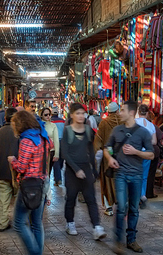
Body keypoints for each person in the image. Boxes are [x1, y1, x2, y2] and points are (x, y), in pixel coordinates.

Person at [103, 101, 154, 254]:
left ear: (131, 112)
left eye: (122, 110)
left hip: (137, 175)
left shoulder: (143, 132)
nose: (119, 113)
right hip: (121, 175)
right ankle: (118, 240)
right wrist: (110, 158)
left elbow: (151, 154)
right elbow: (107, 148)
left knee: (133, 208)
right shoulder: (117, 130)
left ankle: (131, 240)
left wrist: (136, 152)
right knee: (121, 207)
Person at [8, 110, 52, 255]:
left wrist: (13, 161)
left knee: (19, 223)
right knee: (37, 224)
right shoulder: (42, 136)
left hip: (29, 185)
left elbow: (22, 166)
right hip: (42, 182)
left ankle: (34, 252)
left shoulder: (28, 140)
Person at [61, 103, 106, 240]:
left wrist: (94, 169)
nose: (81, 116)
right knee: (71, 198)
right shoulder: (67, 131)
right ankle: (70, 223)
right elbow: (65, 153)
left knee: (91, 198)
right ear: (72, 115)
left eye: (83, 113)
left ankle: (97, 227)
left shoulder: (88, 130)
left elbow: (91, 151)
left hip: (86, 168)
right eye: (78, 113)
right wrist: (76, 170)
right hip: (71, 169)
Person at [93, 102, 122, 216]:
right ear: (117, 110)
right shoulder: (124, 122)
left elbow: (98, 141)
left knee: (107, 181)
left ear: (108, 111)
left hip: (108, 156)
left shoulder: (104, 123)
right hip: (122, 156)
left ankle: (109, 207)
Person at [0, 107, 19, 232]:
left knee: (3, 200)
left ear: (5, 118)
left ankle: (2, 223)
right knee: (20, 200)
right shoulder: (19, 132)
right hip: (17, 172)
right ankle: (21, 224)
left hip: (2, 170)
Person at [135, 104, 158, 208]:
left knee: (135, 175)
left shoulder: (134, 123)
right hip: (147, 153)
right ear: (148, 113)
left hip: (136, 153)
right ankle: (142, 195)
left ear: (138, 112)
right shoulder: (151, 125)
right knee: (144, 176)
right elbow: (154, 141)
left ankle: (136, 196)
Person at [40, 108, 60, 176]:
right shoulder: (39, 125)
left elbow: (56, 140)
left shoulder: (53, 125)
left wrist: (56, 154)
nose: (48, 116)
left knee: (48, 172)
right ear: (42, 115)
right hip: (42, 152)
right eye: (46, 115)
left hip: (51, 151)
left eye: (49, 114)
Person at [51, 108, 66, 186]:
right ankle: (58, 175)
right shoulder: (63, 121)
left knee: (55, 160)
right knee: (61, 159)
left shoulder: (50, 122)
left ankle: (58, 178)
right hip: (63, 141)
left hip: (54, 142)